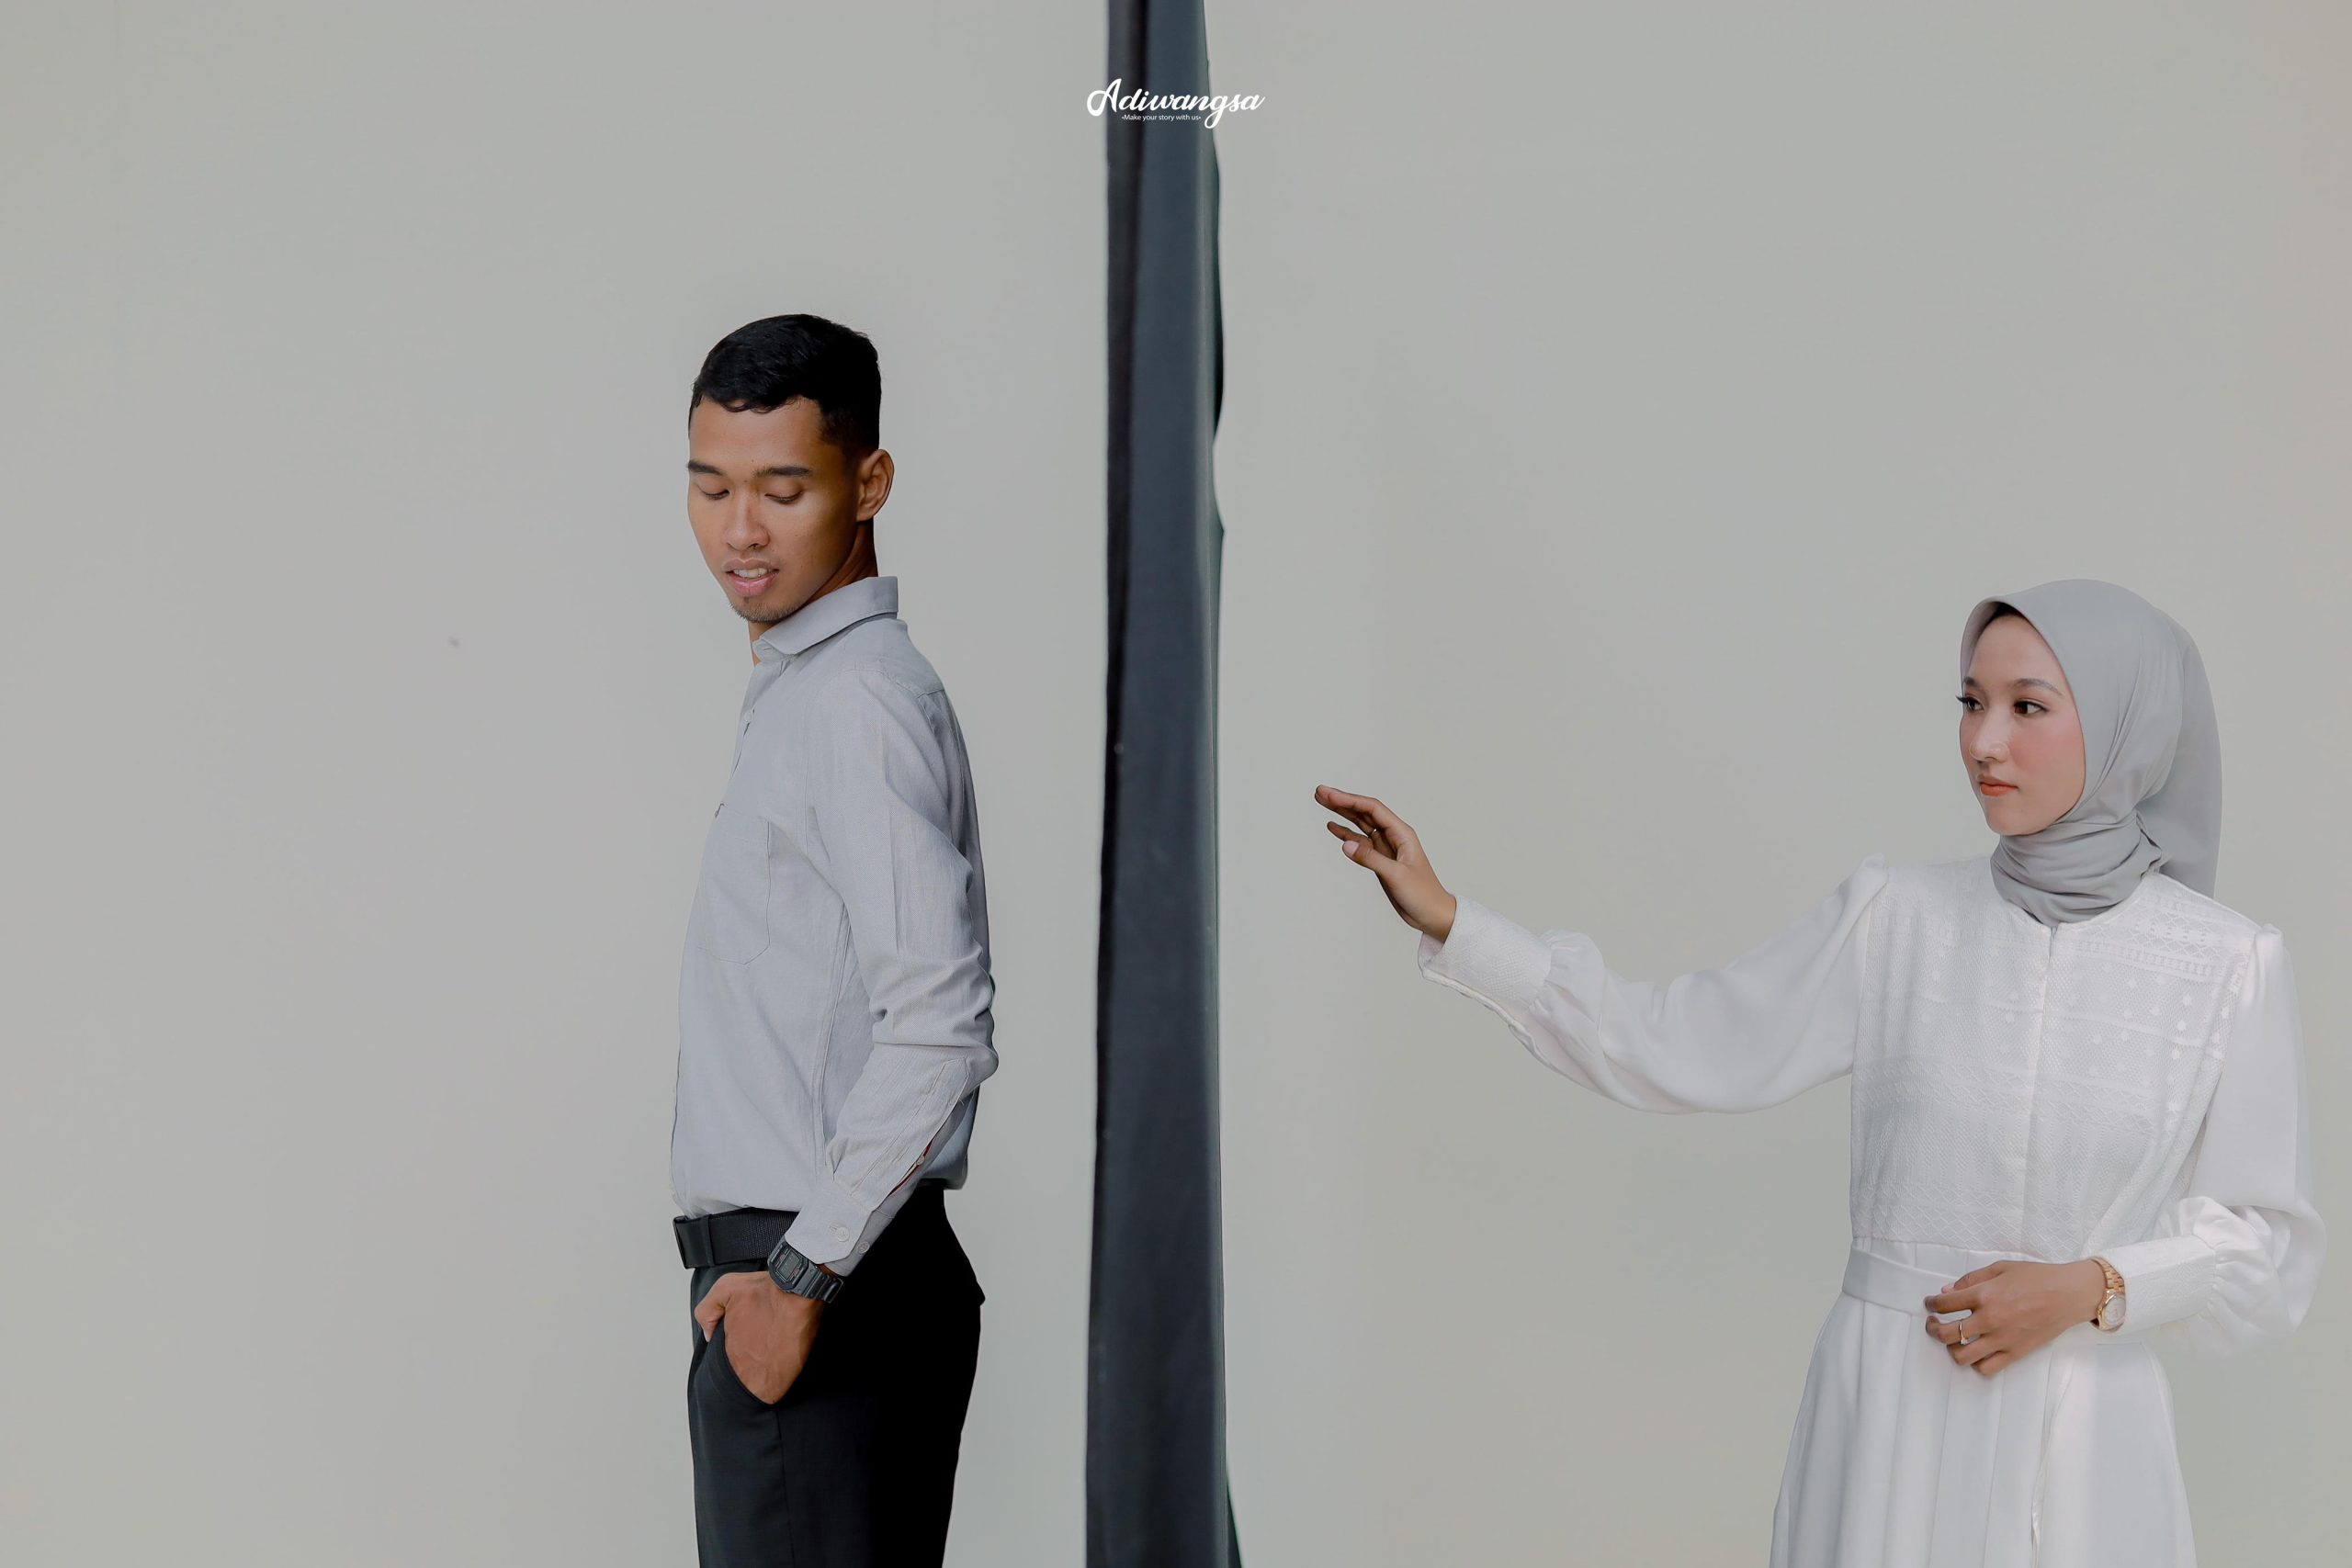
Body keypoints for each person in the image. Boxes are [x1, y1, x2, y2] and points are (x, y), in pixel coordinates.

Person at [1317, 578, 2322, 1566]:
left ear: (2124, 726)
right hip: (1891, 1414)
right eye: (1970, 701)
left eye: (2027, 708)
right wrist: (1459, 924)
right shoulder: (1897, 919)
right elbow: (1673, 1041)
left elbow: (2268, 1248)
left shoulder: (2227, 963)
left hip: (2088, 1443)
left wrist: (2093, 1287)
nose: (1982, 741)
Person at [668, 314, 995, 1567]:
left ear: (869, 483)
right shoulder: (810, 691)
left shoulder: (853, 701)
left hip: (823, 1286)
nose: (740, 530)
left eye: (782, 488)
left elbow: (942, 1023)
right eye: (712, 487)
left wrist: (801, 1280)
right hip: (807, 1283)